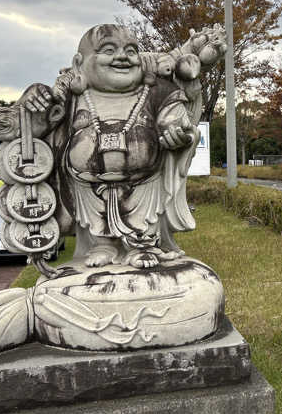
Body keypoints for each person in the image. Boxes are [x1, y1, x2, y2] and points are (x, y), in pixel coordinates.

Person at [18, 23, 226, 269]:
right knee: (96, 226)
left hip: (144, 185)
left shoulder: (156, 90)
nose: (121, 57)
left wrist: (176, 132)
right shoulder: (71, 98)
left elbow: (175, 116)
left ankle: (145, 245)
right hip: (86, 188)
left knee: (145, 220)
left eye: (130, 51)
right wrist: (33, 99)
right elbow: (34, 130)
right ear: (78, 63)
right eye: (108, 50)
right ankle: (102, 245)